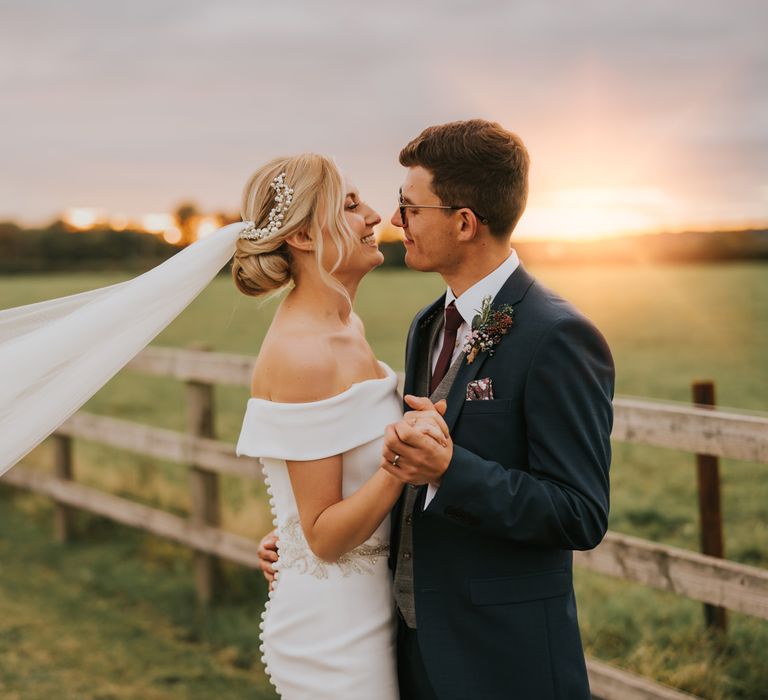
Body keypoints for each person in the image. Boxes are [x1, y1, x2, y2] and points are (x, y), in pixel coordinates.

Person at [258, 120, 615, 700]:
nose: (395, 220)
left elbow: (579, 513)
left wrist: (451, 472)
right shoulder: (427, 327)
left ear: (464, 222)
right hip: (406, 651)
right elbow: (382, 466)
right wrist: (300, 542)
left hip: (504, 658)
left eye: (410, 207)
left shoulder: (558, 335)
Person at [233, 153, 448, 699]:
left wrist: (288, 535)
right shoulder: (303, 353)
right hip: (332, 632)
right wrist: (401, 464)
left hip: (372, 610)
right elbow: (325, 536)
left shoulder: (347, 326)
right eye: (350, 205)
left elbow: (322, 493)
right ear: (302, 236)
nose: (376, 214)